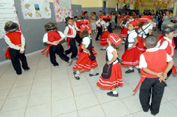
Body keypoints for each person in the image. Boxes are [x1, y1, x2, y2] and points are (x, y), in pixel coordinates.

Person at [138, 36, 174, 115]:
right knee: (158, 94)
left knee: (144, 93)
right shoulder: (163, 52)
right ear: (157, 43)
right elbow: (171, 61)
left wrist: (156, 73)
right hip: (160, 78)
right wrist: (165, 72)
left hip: (148, 78)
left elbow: (144, 69)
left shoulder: (143, 55)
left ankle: (145, 108)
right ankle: (154, 111)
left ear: (144, 44)